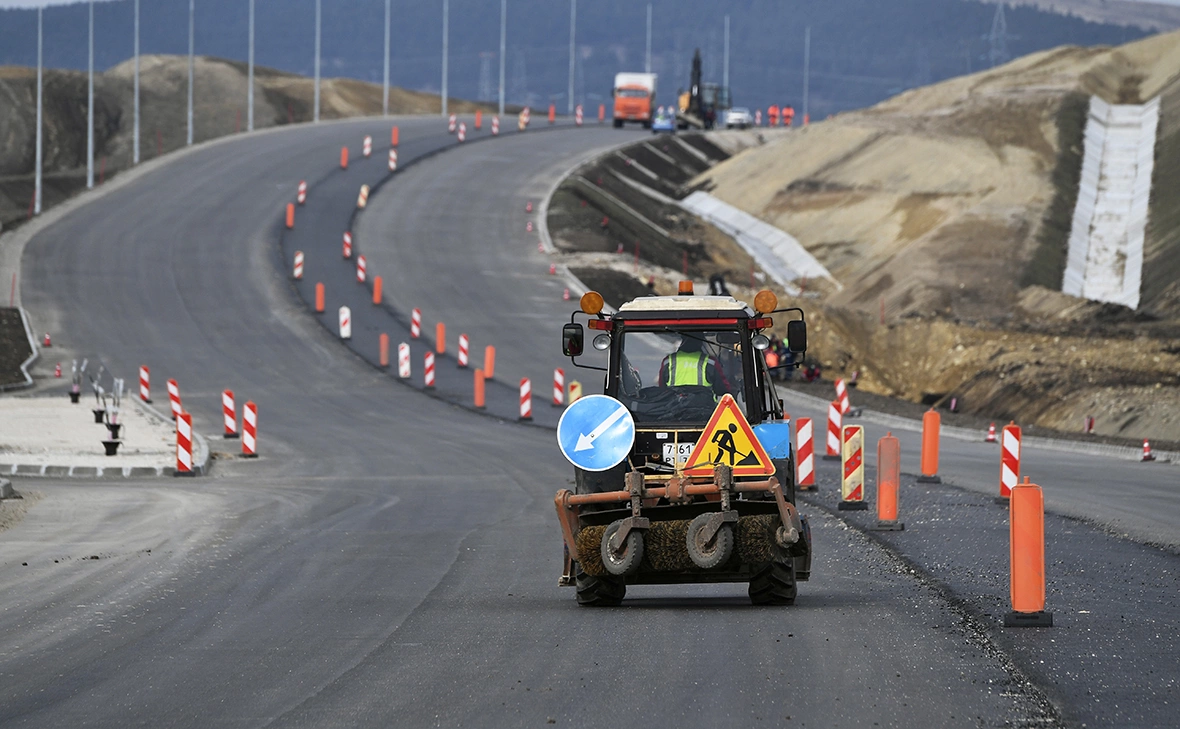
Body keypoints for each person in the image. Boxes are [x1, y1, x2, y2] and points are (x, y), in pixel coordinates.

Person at [658, 336, 733, 398]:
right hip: (705, 410)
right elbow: (722, 389)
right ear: (701, 343)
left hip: (674, 409)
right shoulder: (710, 362)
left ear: (682, 341)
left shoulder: (668, 361)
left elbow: (662, 388)